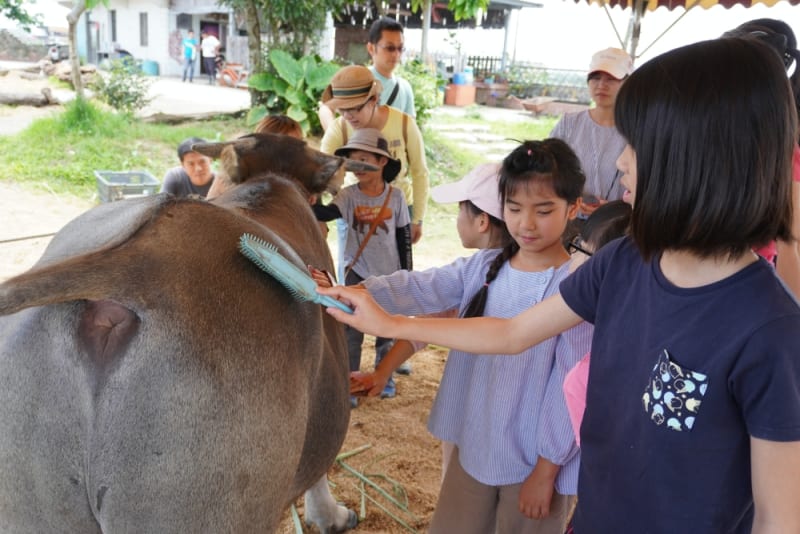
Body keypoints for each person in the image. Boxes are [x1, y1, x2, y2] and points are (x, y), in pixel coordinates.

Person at [319, 37, 800, 532]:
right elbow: (510, 333)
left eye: (635, 145)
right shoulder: (622, 264)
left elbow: (779, 520)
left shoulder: (771, 331)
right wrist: (390, 319)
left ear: (698, 159)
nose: (619, 163)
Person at [338, 140, 592, 532]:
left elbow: (569, 386)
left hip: (533, 461)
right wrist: (356, 292)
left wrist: (547, 469)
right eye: (514, 209)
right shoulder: (486, 265)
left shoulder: (575, 285)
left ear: (573, 208)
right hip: (475, 441)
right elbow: (422, 288)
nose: (526, 224)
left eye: (544, 211)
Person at [347, 162, 511, 402]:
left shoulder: (471, 273)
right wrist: (381, 372)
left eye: (459, 209)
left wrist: (352, 292)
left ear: (482, 221)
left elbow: (417, 289)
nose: (457, 218)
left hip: (481, 403)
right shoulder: (484, 270)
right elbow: (427, 324)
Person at [320, 65, 429, 378]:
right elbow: (325, 172)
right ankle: (352, 366)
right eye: (343, 110)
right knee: (354, 296)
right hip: (353, 209)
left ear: (374, 99)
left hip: (396, 205)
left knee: (392, 298)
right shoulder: (339, 130)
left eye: (356, 108)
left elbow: (420, 172)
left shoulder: (404, 124)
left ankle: (392, 358)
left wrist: (417, 217)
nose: (349, 116)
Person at [312, 128, 412, 409]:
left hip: (390, 274)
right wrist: (314, 192)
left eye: (364, 160)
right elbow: (325, 214)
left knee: (387, 332)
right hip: (356, 275)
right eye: (353, 162)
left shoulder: (396, 197)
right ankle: (351, 385)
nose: (358, 168)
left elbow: (404, 237)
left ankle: (385, 380)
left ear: (382, 162)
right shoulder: (347, 196)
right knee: (351, 332)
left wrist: (408, 275)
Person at [723, 18, 800, 299]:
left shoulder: (782, 149)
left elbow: (789, 241)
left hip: (745, 287)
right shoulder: (705, 131)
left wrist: (790, 321)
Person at [561, 200, 632, 446]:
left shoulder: (587, 336)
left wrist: (545, 466)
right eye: (578, 244)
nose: (575, 256)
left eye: (584, 250)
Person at [550, 47, 632, 239]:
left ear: (628, 83)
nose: (601, 85)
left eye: (611, 78)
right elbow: (548, 168)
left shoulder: (637, 129)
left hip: (619, 228)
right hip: (568, 223)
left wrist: (614, 209)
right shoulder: (570, 123)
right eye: (595, 77)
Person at [318, 17, 416, 131]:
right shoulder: (355, 78)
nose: (396, 54)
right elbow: (325, 108)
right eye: (390, 48)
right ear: (371, 48)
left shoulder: (405, 87)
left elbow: (410, 128)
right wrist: (336, 136)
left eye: (400, 48)